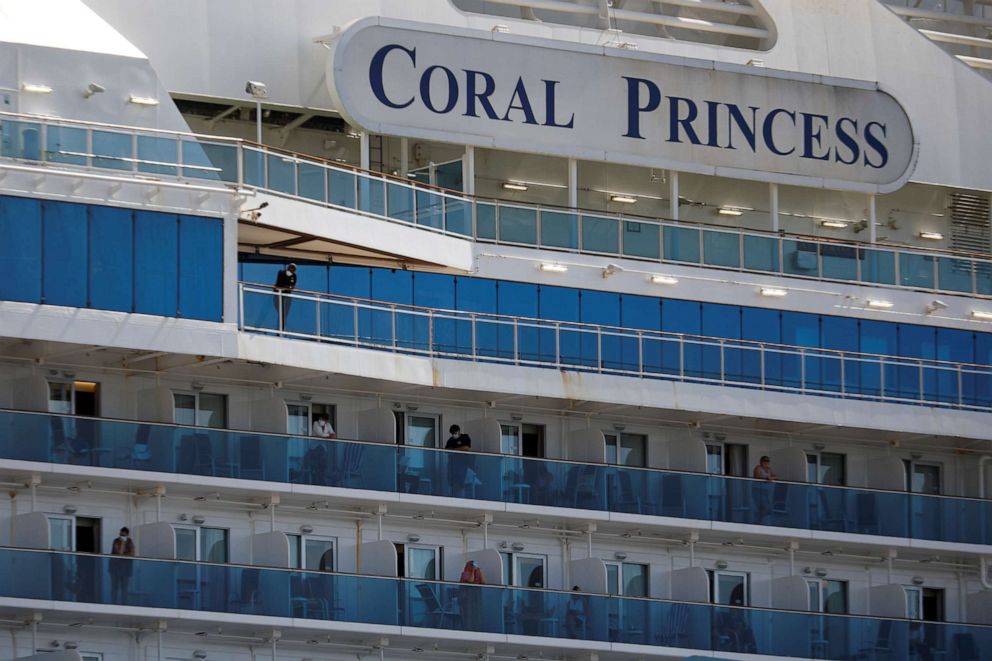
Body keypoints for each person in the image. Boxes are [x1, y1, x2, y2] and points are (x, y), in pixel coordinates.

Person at [109, 527, 136, 604]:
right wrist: (123, 544)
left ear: (127, 534)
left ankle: (124, 604)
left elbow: (132, 554)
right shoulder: (116, 541)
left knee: (124, 588)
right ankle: (113, 603)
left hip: (126, 570)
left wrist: (126, 553)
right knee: (114, 587)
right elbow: (119, 553)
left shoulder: (130, 541)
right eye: (121, 534)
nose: (121, 536)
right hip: (115, 569)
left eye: (123, 535)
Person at [459, 560, 486, 629]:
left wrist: (480, 571)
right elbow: (470, 580)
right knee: (468, 614)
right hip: (467, 597)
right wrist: (473, 571)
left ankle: (476, 627)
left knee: (476, 613)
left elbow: (483, 582)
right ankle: (468, 628)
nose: (472, 566)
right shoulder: (464, 573)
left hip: (476, 597)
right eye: (471, 565)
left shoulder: (477, 573)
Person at [752, 456, 776, 523]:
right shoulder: (758, 468)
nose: (766, 462)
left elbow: (777, 476)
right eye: (765, 461)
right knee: (763, 507)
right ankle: (758, 521)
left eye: (768, 461)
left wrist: (771, 477)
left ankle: (759, 521)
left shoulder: (769, 469)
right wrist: (766, 478)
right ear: (761, 461)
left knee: (767, 508)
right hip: (757, 490)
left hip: (766, 491)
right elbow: (757, 476)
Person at [273, 263, 297, 331]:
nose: (292, 270)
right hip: (278, 295)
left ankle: (281, 329)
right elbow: (279, 283)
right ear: (288, 267)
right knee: (281, 313)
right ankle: (279, 329)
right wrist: (287, 287)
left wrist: (287, 287)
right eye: (291, 267)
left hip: (287, 297)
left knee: (284, 314)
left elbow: (292, 287)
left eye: (294, 269)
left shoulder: (294, 276)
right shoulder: (281, 272)